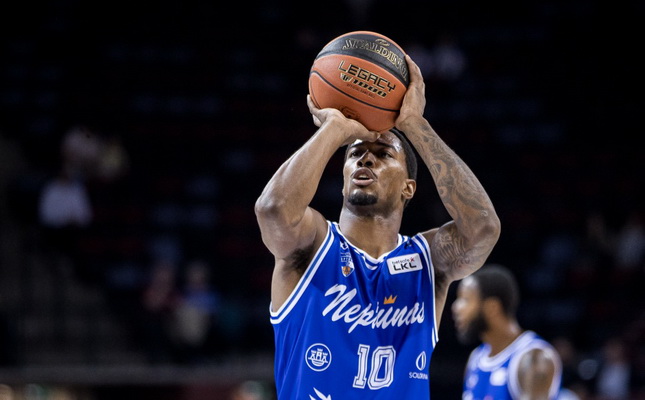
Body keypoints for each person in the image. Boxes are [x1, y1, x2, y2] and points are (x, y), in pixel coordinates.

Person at [255, 54, 501, 399]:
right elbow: (272, 210)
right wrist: (335, 129)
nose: (366, 158)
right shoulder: (312, 246)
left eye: (383, 153)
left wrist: (415, 125)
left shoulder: (428, 261)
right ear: (343, 181)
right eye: (355, 154)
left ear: (408, 188)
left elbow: (484, 228)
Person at [452, 264, 564, 400]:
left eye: (465, 299)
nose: (456, 307)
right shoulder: (475, 358)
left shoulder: (534, 357)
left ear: (492, 307)